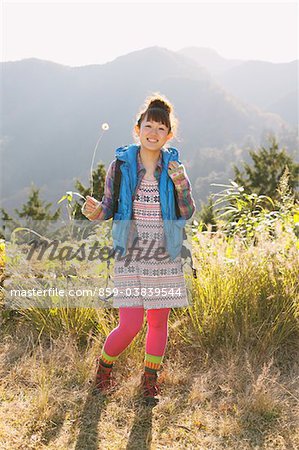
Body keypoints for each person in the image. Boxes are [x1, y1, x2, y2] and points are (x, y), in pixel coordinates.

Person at [81, 93, 196, 405]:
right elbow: (107, 208)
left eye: (161, 128)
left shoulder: (174, 168)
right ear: (138, 128)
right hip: (130, 255)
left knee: (158, 323)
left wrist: (181, 182)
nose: (154, 132)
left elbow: (187, 212)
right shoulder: (120, 167)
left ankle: (149, 382)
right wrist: (95, 211)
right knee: (130, 324)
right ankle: (103, 371)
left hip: (164, 256)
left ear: (169, 135)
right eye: (149, 125)